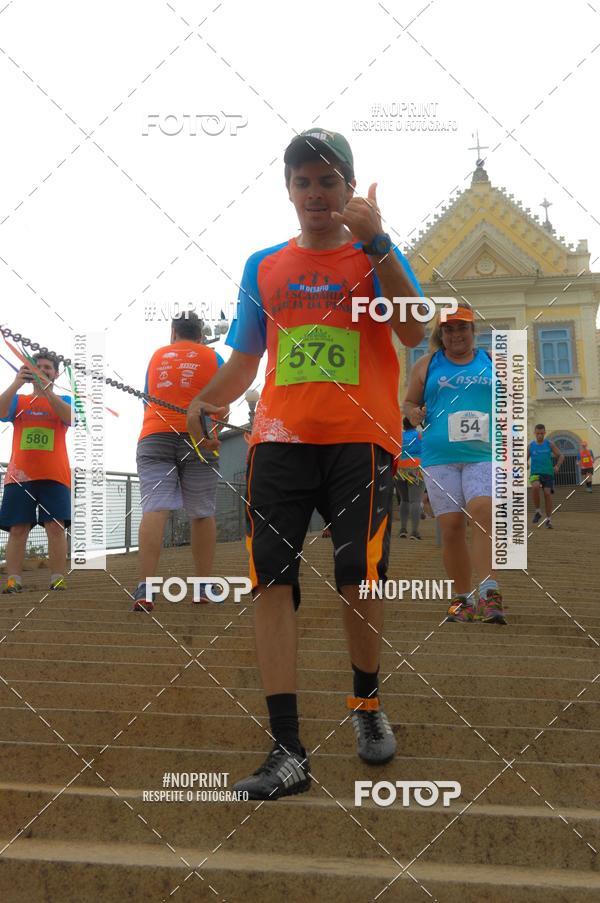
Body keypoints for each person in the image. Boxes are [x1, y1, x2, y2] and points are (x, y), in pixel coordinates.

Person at [187, 128, 425, 800]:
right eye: (304, 181)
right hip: (278, 445)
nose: (316, 192)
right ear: (288, 189)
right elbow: (244, 360)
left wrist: (378, 243)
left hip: (362, 443)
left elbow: (413, 329)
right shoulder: (263, 265)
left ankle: (366, 702)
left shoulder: (375, 256)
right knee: (271, 583)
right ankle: (287, 748)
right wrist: (207, 400)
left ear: (350, 186)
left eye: (328, 180)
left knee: (361, 577)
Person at [404, 304, 505, 625]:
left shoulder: (491, 361)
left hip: (483, 453)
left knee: (483, 512)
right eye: (449, 329)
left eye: (463, 328)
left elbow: (512, 399)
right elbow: (408, 402)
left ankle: (490, 592)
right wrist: (411, 412)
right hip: (439, 456)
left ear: (473, 332)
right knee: (450, 529)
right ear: (440, 334)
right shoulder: (426, 364)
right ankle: (463, 599)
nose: (456, 334)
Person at [132, 313, 225, 611]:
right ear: (200, 334)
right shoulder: (214, 357)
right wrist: (213, 433)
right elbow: (223, 406)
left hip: (154, 435)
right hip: (197, 437)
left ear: (173, 333)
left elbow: (147, 398)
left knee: (154, 508)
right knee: (201, 512)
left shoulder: (157, 356)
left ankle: (146, 588)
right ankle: (202, 588)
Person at [0, 353, 72, 592]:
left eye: (47, 368)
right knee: (18, 528)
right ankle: (13, 580)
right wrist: (17, 382)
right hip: (19, 477)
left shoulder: (64, 399)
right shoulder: (19, 400)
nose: (42, 371)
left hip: (55, 475)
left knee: (55, 526)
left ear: (56, 373)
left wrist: (47, 390)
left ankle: (57, 578)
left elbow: (70, 418)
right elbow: (1, 412)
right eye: (37, 367)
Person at [527, 425, 563, 528]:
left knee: (547, 494)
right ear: (535, 433)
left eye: (542, 433)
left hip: (548, 473)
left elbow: (561, 456)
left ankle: (548, 520)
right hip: (535, 473)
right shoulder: (531, 446)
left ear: (545, 433)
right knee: (535, 486)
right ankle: (538, 511)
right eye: (538, 433)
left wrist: (557, 466)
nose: (539, 435)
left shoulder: (549, 444)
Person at [395, 417, 424, 540]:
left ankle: (403, 529)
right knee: (415, 501)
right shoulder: (420, 435)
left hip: (400, 470)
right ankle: (415, 532)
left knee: (404, 500)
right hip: (416, 469)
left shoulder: (398, 436)